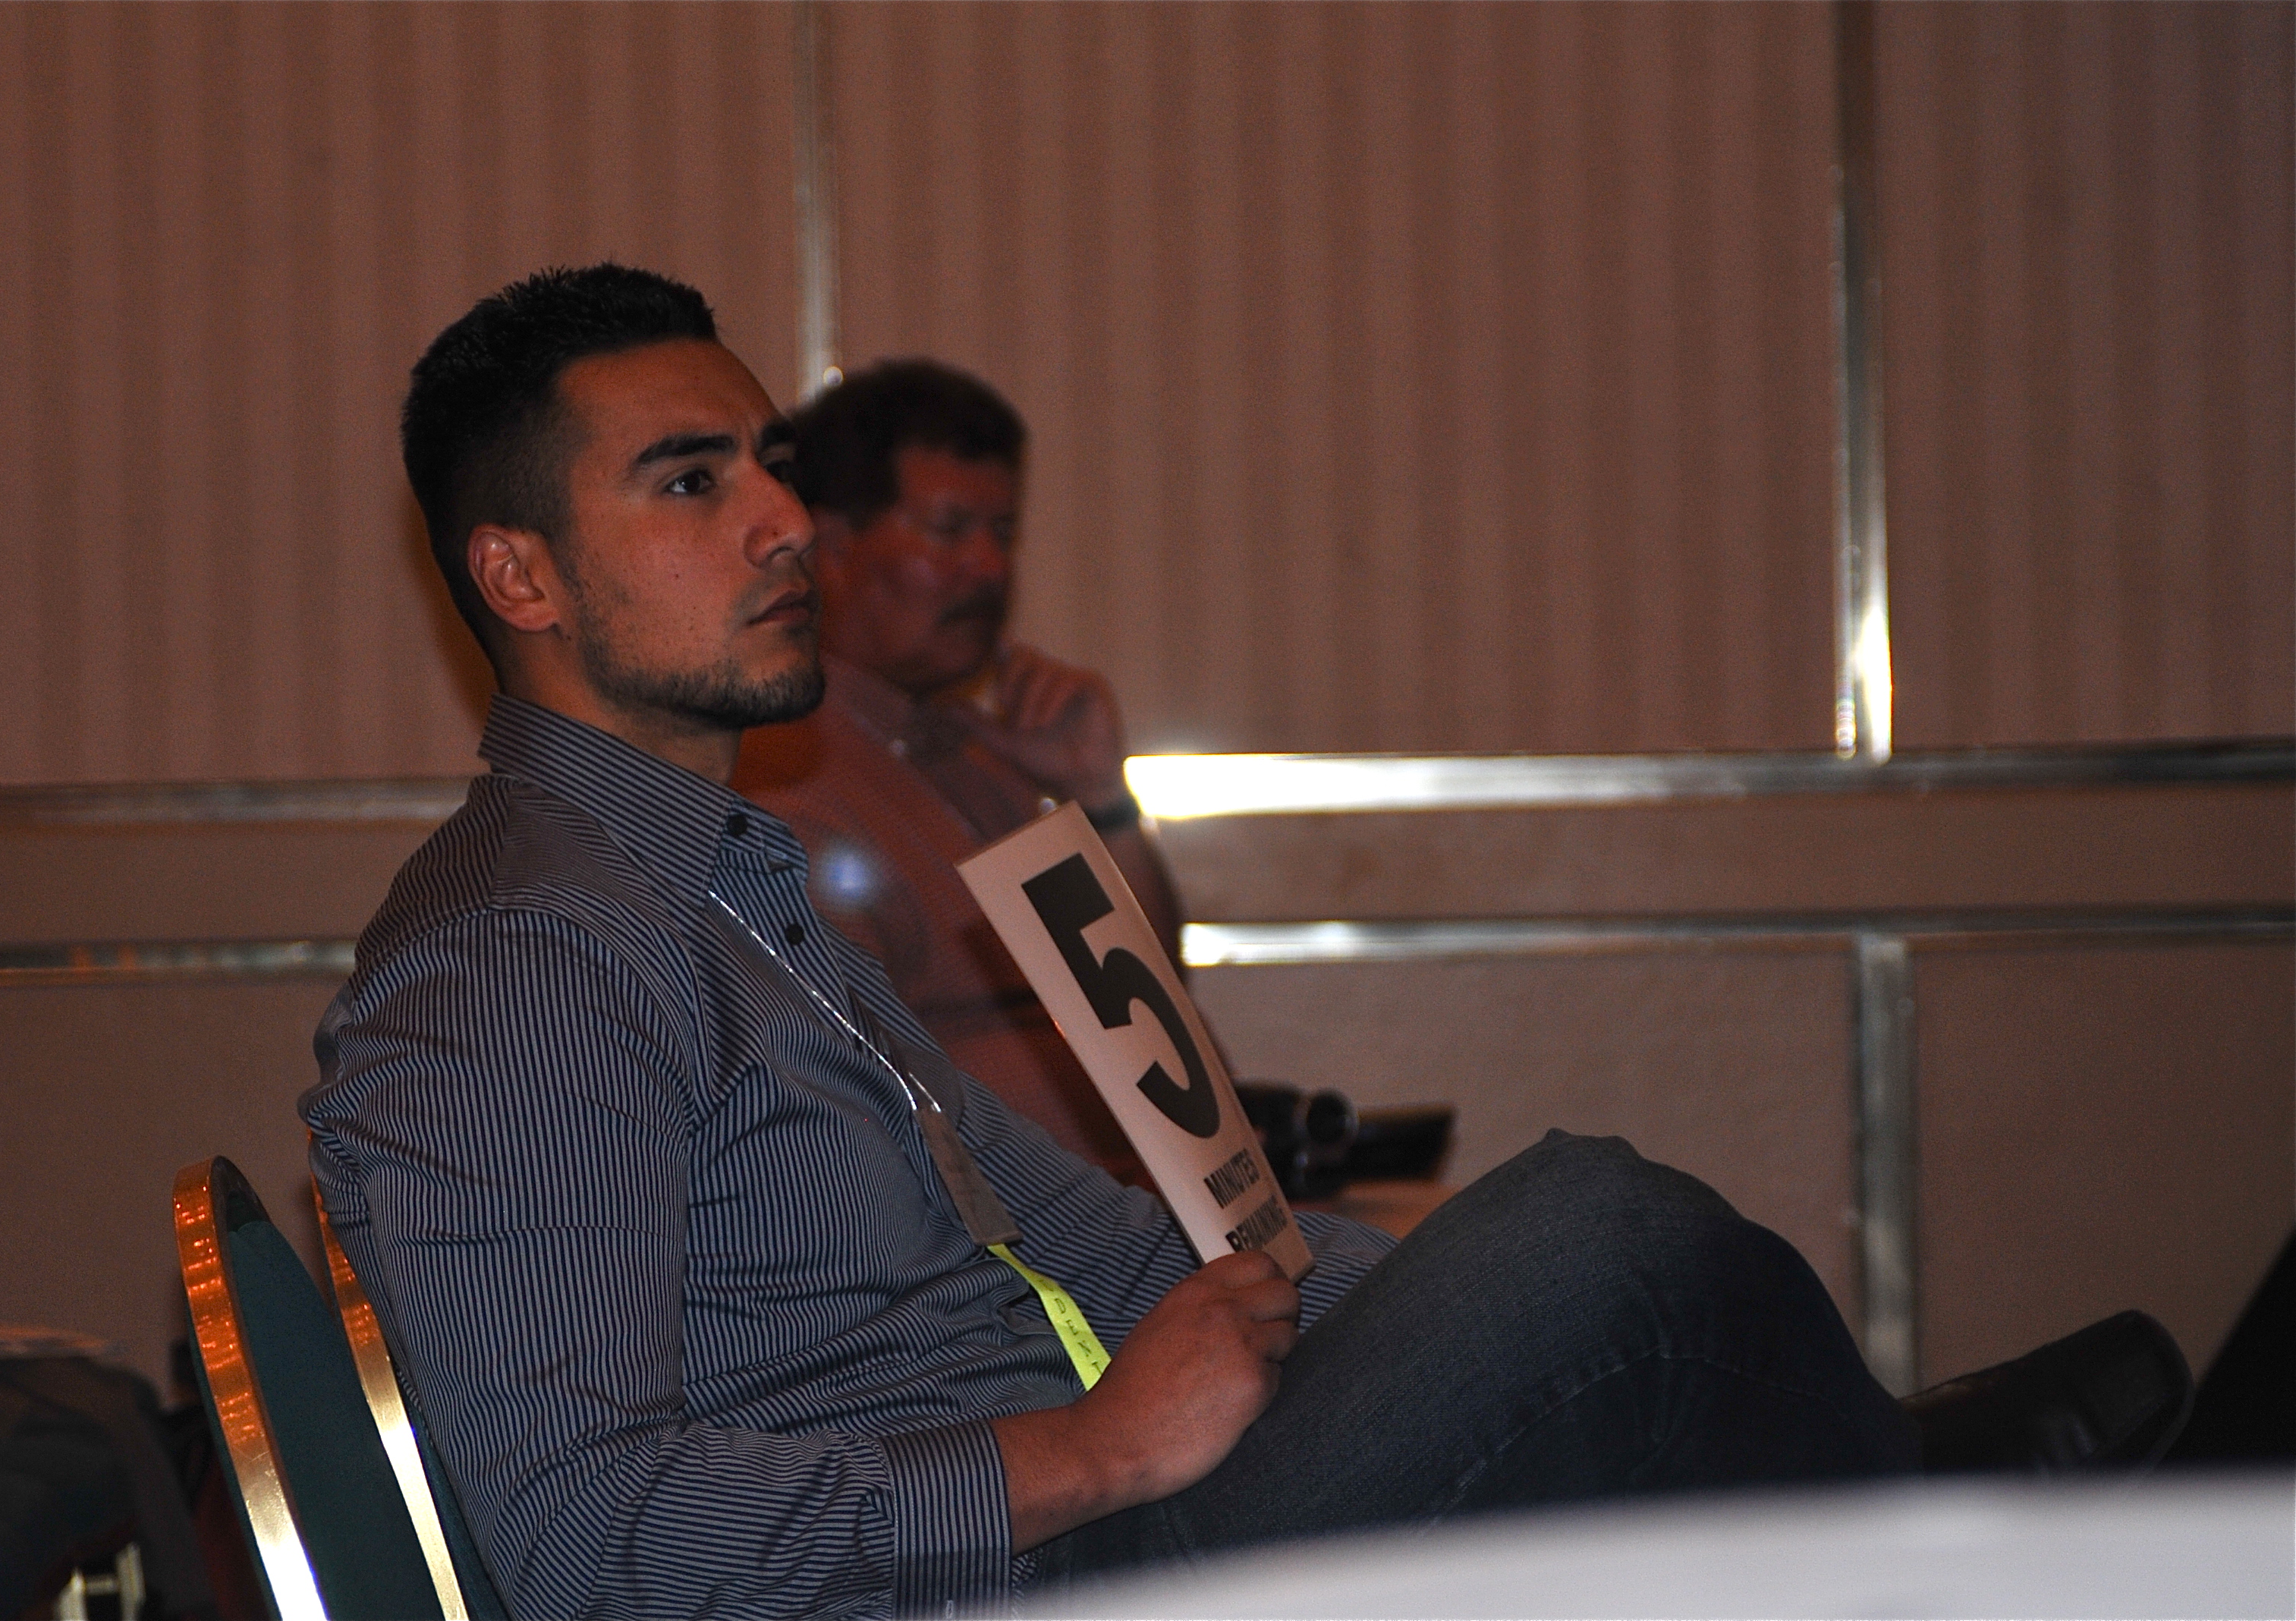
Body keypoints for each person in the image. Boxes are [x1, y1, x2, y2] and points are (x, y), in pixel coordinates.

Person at [304, 263, 1915, 1621]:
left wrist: (1418, 1314)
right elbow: (579, 1534)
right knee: (1606, 1240)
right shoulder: (517, 960)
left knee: (1581, 1294)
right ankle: (1978, 1526)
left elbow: (1122, 1256)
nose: (786, 521)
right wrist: (1092, 1454)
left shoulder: (719, 890)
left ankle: (1968, 1521)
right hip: (1012, 1571)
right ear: (520, 574)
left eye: (774, 466)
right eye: (691, 482)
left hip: (1089, 1521)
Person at [733, 361, 1174, 1182]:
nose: (990, 567)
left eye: (1002, 532)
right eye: (949, 530)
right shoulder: (777, 779)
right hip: (1013, 1247)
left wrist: (1099, 799)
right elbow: (849, 1108)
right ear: (830, 547)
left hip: (1160, 1211)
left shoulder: (983, 755)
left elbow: (1151, 1002)